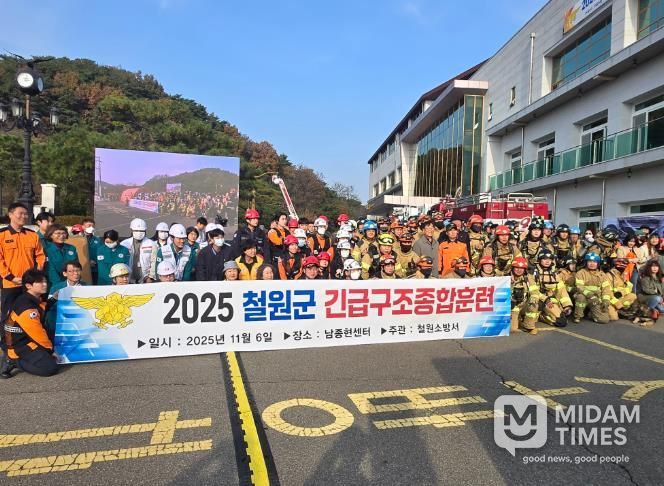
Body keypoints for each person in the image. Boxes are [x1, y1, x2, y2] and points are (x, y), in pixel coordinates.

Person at [1, 269, 58, 378]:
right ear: (28, 286)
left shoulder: (29, 298)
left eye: (45, 281)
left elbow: (41, 308)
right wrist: (50, 351)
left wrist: (53, 299)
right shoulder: (26, 307)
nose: (45, 284)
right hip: (19, 345)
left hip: (25, 338)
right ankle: (13, 361)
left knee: (56, 341)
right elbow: (37, 333)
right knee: (50, 367)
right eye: (40, 282)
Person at [0, 203, 46, 327]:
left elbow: (40, 256)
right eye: (20, 213)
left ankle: (28, 337)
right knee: (8, 314)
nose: (24, 216)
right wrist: (10, 277)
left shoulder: (32, 235)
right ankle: (6, 338)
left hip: (30, 284)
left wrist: (35, 275)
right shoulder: (2, 235)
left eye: (26, 214)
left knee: (31, 313)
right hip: (10, 283)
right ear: (10, 214)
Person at [529, 250, 573, 327]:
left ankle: (542, 316)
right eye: (545, 259)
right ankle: (538, 314)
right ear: (539, 260)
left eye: (549, 259)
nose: (547, 261)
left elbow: (562, 291)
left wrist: (567, 305)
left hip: (550, 301)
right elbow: (533, 290)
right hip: (537, 300)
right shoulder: (532, 273)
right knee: (530, 317)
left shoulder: (554, 274)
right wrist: (545, 299)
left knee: (561, 322)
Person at [573, 252, 611, 324]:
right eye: (590, 261)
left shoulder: (602, 275)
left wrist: (606, 300)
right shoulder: (581, 273)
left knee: (604, 320)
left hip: (596, 299)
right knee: (580, 297)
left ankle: (590, 313)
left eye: (594, 262)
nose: (592, 264)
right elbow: (579, 287)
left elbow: (606, 289)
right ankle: (577, 316)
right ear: (586, 263)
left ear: (598, 263)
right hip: (585, 296)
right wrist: (591, 295)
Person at [43, 224, 79, 291]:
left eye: (63, 233)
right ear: (51, 235)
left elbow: (76, 266)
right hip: (54, 283)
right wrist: (59, 285)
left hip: (71, 283)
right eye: (58, 233)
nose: (61, 236)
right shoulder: (46, 250)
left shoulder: (71, 248)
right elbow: (51, 270)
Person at [120, 218, 157, 284]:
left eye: (141, 231)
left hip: (145, 279)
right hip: (128, 278)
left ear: (145, 231)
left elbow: (154, 261)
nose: (139, 233)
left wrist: (151, 277)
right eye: (136, 230)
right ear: (131, 230)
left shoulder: (151, 244)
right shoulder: (124, 244)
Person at [510, 257, 538, 335]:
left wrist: (533, 299)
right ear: (512, 268)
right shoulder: (506, 278)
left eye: (521, 268)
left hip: (524, 304)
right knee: (512, 329)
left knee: (533, 304)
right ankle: (518, 318)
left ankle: (529, 326)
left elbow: (535, 291)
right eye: (517, 267)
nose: (519, 270)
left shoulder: (528, 278)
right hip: (513, 306)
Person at [82, 217, 102, 283]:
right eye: (89, 226)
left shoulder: (98, 240)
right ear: (83, 227)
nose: (92, 228)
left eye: (93, 226)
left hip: (95, 269)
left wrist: (95, 262)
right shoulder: (78, 239)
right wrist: (88, 262)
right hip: (83, 269)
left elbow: (101, 253)